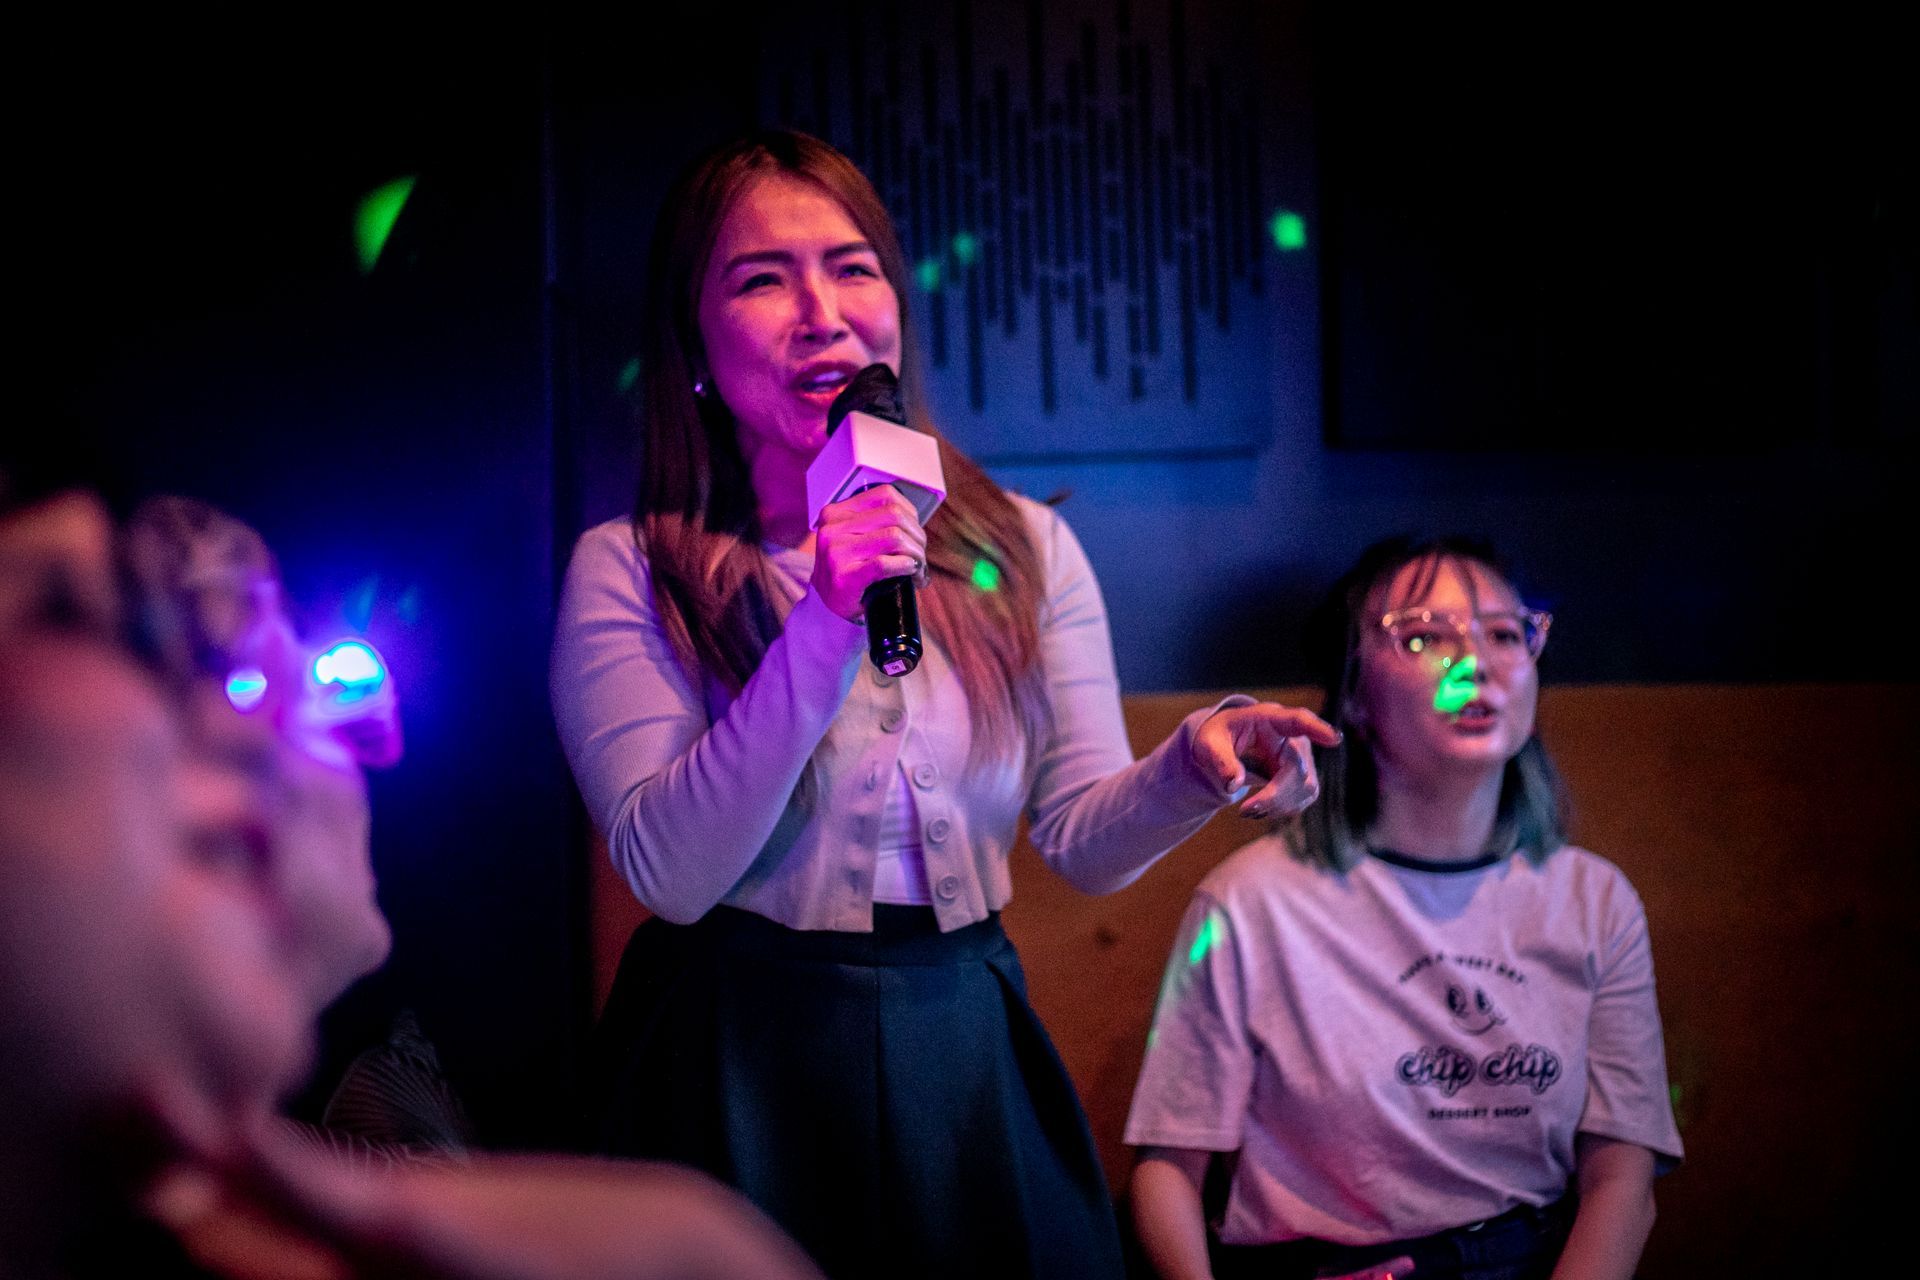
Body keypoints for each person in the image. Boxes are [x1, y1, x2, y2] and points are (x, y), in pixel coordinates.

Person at [550, 128, 1339, 1280]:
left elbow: (1079, 839)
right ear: (694, 341)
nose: (823, 313)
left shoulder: (1026, 545)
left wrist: (1193, 764)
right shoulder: (632, 565)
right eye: (763, 279)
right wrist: (826, 616)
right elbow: (669, 871)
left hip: (960, 1038)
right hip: (732, 1052)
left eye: (852, 267)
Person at [1125, 536, 1684, 1280]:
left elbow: (1622, 1182)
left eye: (1505, 634)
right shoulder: (1252, 904)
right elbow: (1167, 1172)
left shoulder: (1594, 901)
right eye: (1424, 637)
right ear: (1355, 694)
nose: (1475, 664)